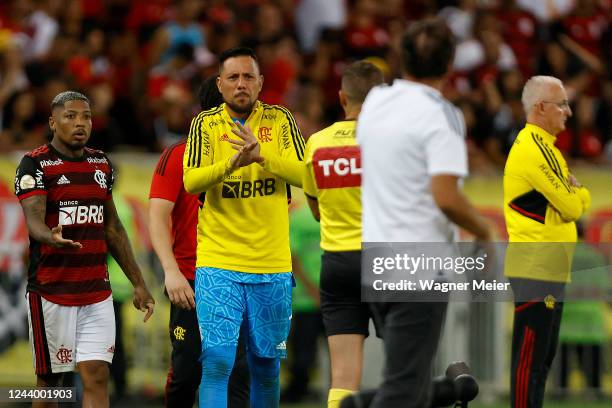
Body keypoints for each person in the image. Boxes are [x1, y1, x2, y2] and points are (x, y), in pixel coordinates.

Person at [358, 19, 492, 408]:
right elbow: (446, 196)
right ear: (450, 64)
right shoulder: (442, 114)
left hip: (377, 260)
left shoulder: (375, 103)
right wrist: (484, 232)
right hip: (418, 265)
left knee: (408, 381)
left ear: (401, 58)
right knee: (405, 389)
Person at [14, 91, 155, 408]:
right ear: (53, 121)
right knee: (50, 385)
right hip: (52, 292)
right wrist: (50, 237)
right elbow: (33, 220)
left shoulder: (100, 163)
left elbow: (113, 228)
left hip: (96, 293)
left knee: (96, 377)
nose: (80, 123)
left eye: (86, 116)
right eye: (70, 116)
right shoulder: (34, 164)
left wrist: (139, 283)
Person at [182, 47, 305, 408]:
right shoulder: (205, 125)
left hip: (271, 265)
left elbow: (304, 174)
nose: (241, 84)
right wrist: (231, 163)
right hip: (219, 263)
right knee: (217, 362)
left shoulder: (280, 120)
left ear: (261, 83)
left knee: (266, 365)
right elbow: (191, 181)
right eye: (233, 78)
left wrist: (262, 156)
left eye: (248, 77)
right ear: (219, 85)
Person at [149, 75, 250, 408]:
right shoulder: (179, 155)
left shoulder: (254, 158)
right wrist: (171, 272)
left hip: (239, 276)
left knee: (238, 374)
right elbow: (158, 217)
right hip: (191, 280)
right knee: (187, 372)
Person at [504, 75, 591, 408]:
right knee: (529, 363)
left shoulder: (549, 149)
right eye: (562, 104)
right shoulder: (532, 149)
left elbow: (572, 205)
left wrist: (574, 194)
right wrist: (578, 192)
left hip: (551, 269)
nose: (568, 111)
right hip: (535, 269)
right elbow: (572, 206)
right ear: (540, 107)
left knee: (541, 362)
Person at [301, 60, 383, 408]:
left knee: (344, 376)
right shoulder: (391, 141)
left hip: (336, 263)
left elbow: (317, 210)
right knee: (407, 368)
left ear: (341, 97)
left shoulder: (317, 144)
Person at [281, 203, 325, 404]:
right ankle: (299, 390)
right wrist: (313, 289)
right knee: (304, 352)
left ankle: (300, 390)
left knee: (304, 351)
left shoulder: (299, 216)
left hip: (314, 296)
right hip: (311, 298)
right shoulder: (300, 216)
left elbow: (293, 256)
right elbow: (293, 256)